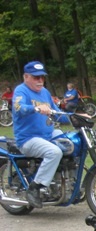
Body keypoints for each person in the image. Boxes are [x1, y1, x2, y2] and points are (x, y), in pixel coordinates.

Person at [12, 61, 70, 208]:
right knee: (54, 152)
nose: (40, 80)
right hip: (28, 139)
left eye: (42, 77)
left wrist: (75, 116)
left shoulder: (45, 92)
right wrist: (36, 108)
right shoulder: (21, 90)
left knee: (71, 143)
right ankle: (35, 188)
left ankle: (65, 182)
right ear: (26, 77)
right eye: (36, 77)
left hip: (47, 135)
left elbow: (57, 112)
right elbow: (19, 108)